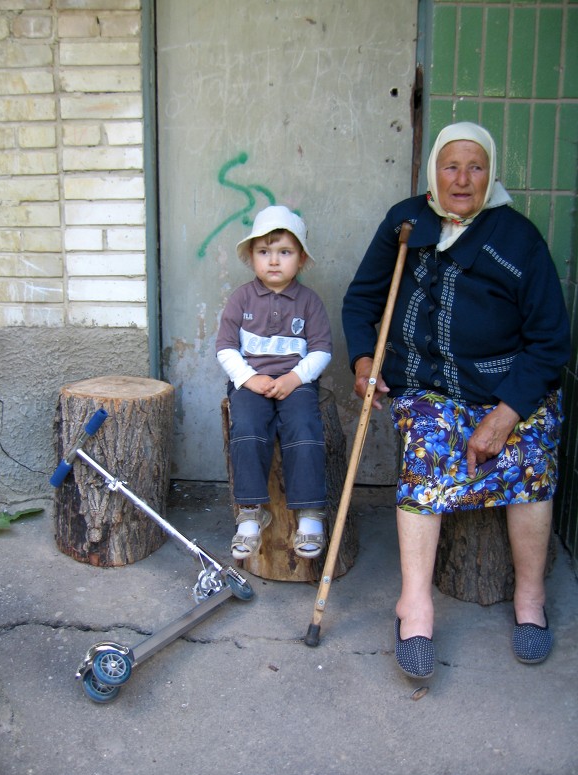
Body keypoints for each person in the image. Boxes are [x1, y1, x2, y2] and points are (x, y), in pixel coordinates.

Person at [342, 122, 570, 678]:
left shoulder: (518, 238)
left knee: (531, 450)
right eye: (451, 166)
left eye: (476, 167)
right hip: (428, 389)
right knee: (426, 446)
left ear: (491, 174)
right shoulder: (406, 220)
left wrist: (506, 413)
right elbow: (361, 300)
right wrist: (363, 362)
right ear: (433, 173)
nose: (462, 179)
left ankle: (530, 600)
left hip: (505, 391)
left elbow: (549, 342)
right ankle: (414, 607)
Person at [217, 205, 332, 561]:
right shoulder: (242, 299)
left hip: (296, 384)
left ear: (301, 259)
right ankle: (250, 513)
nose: (274, 261)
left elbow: (322, 350)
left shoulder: (309, 302)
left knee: (303, 425)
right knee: (248, 427)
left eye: (285, 252)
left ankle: (310, 514)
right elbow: (224, 348)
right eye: (264, 252)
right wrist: (249, 379)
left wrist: (295, 378)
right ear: (251, 256)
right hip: (252, 385)